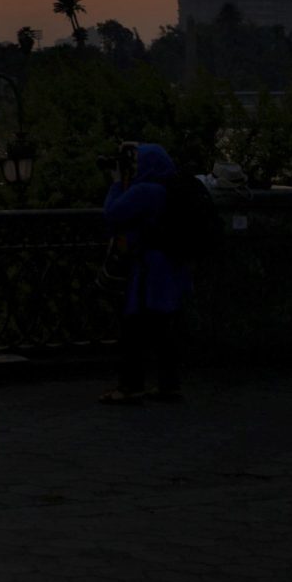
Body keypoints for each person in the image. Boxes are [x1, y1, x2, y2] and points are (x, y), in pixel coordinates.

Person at [101, 141, 191, 404]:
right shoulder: (169, 189)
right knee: (164, 329)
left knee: (133, 328)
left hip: (148, 271)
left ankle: (131, 386)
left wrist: (117, 183)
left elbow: (111, 214)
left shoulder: (145, 190)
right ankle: (168, 385)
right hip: (171, 268)